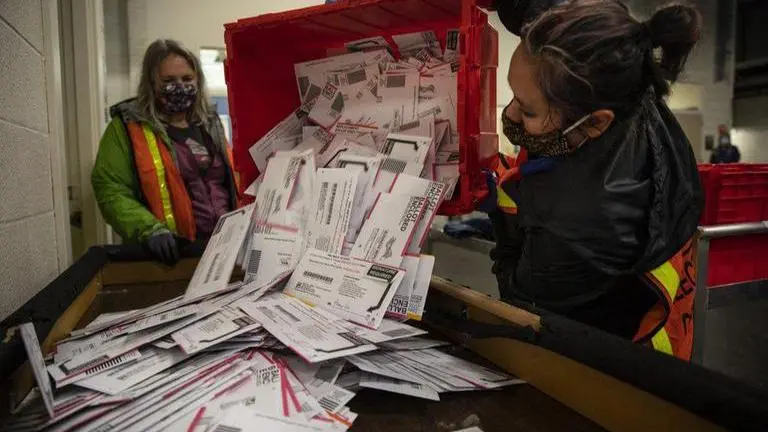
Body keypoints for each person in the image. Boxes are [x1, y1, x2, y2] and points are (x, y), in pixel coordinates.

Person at [483, 0, 703, 361]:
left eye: (528, 109)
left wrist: (499, 216)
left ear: (595, 122)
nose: (510, 114)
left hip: (620, 374)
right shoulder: (620, 78)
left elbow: (522, 305)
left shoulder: (576, 224)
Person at [92, 39, 239, 265]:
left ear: (198, 81)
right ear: (151, 83)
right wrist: (149, 229)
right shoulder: (127, 127)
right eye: (169, 80)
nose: (180, 86)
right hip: (172, 257)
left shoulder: (210, 124)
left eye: (187, 79)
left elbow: (230, 182)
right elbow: (111, 188)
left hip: (224, 252)